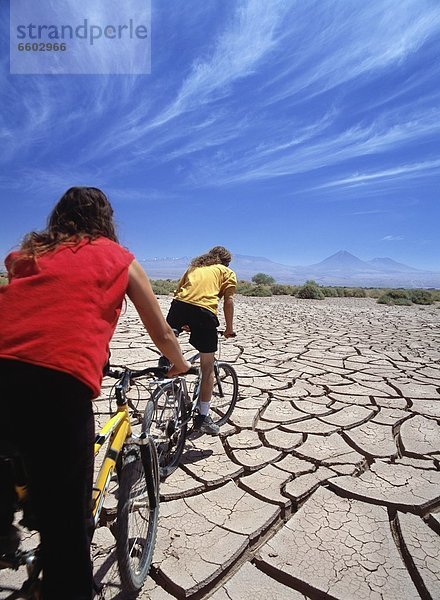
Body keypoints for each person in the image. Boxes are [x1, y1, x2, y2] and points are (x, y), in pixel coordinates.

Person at [0, 186, 191, 600]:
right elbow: (160, 331)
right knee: (68, 532)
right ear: (106, 220)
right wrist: (180, 364)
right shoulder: (120, 259)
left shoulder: (27, 254)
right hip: (56, 388)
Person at [163, 246, 237, 435]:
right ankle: (203, 417)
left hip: (178, 308)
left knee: (171, 338)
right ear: (226, 262)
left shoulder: (193, 268)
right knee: (207, 367)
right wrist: (229, 329)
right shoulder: (227, 272)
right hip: (204, 312)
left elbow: (180, 292)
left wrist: (186, 322)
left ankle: (166, 370)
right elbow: (228, 301)